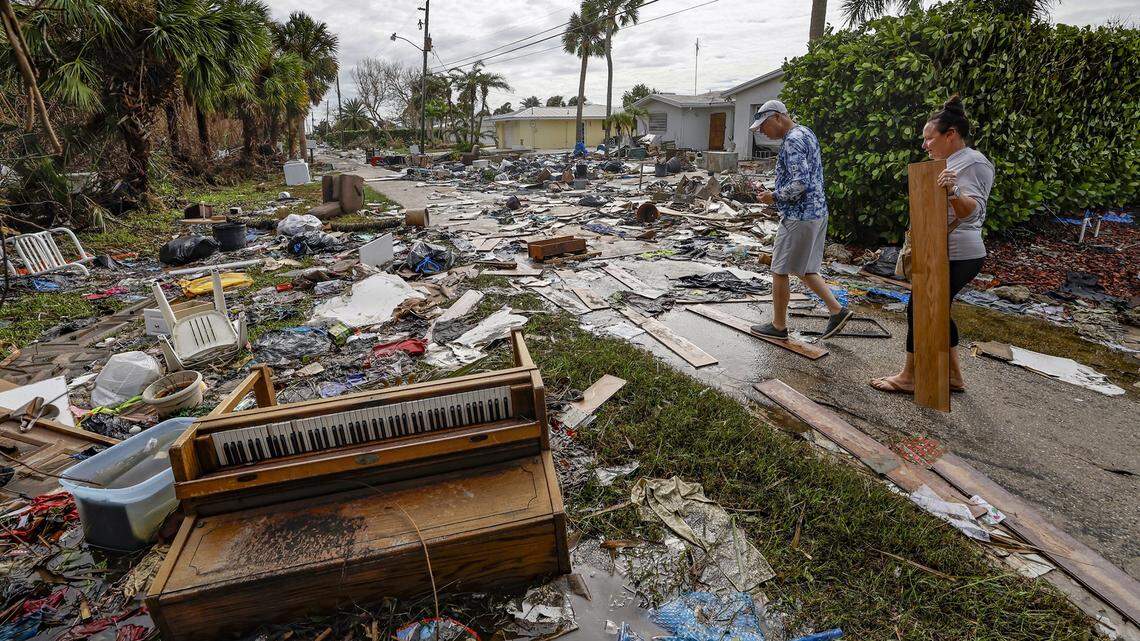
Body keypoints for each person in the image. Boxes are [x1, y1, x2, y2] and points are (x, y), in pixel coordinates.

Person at [871, 95, 994, 394]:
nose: (925, 145)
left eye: (929, 138)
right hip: (939, 249)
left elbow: (973, 211)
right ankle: (952, 376)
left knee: (921, 309)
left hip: (957, 253)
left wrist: (953, 192)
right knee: (936, 311)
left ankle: (910, 376)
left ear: (950, 134)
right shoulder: (947, 162)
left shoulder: (973, 163)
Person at [750, 100, 853, 340]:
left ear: (777, 117)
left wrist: (774, 196)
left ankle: (778, 326)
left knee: (779, 269)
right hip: (817, 211)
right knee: (805, 268)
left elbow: (800, 182)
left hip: (799, 215)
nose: (762, 132)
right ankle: (837, 310)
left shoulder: (793, 140)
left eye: (764, 126)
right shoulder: (805, 132)